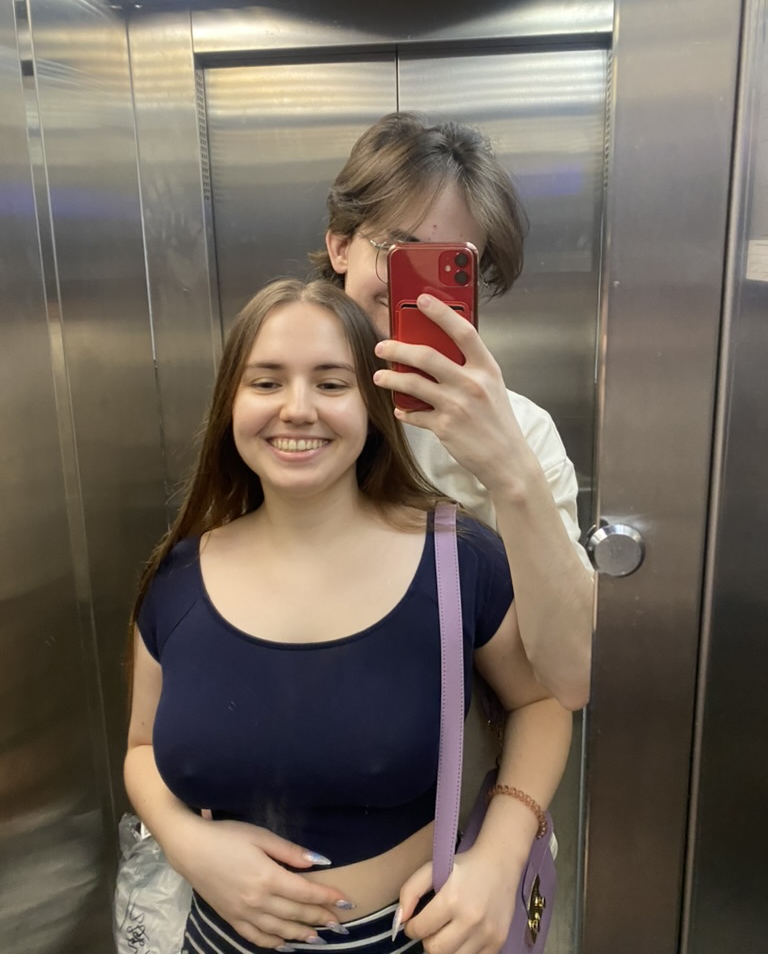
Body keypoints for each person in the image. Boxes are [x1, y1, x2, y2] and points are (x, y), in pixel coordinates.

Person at [124, 278, 572, 954]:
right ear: (230, 404)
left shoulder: (457, 560)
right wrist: (187, 842)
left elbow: (541, 701)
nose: (297, 409)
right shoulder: (177, 577)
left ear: (373, 405)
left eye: (332, 384)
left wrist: (500, 856)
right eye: (266, 382)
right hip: (214, 938)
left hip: (412, 937)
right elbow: (141, 749)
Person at [311, 112, 595, 711]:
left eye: (451, 265)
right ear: (340, 246)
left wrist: (509, 471)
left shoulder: (521, 430)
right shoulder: (283, 414)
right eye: (397, 252)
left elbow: (572, 676)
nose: (414, 291)